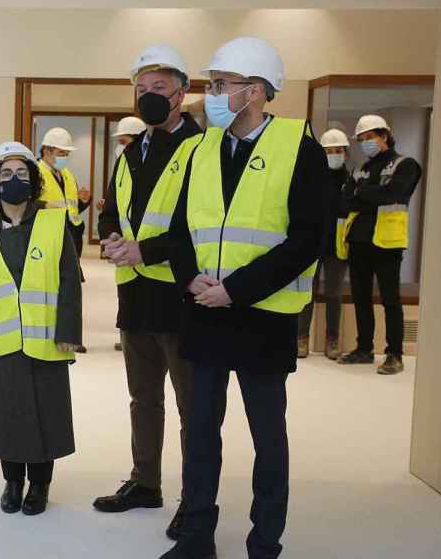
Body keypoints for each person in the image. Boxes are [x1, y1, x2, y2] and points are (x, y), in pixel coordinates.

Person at [164, 37, 328, 559]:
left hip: (261, 316)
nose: (209, 95)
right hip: (204, 313)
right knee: (200, 436)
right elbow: (178, 228)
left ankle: (264, 542)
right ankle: (195, 539)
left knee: (266, 437)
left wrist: (235, 290)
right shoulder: (202, 148)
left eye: (219, 85)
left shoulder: (298, 146)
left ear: (254, 91)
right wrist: (191, 280)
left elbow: (307, 239)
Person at [94, 45, 203, 540]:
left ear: (182, 92)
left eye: (159, 88)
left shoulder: (202, 150)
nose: (149, 96)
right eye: (141, 89)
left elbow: (201, 226)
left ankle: (195, 499)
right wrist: (114, 238)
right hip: (135, 296)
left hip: (182, 298)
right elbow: (112, 210)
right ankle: (145, 483)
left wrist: (146, 251)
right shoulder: (131, 149)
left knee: (192, 405)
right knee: (143, 399)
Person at [0, 142, 81, 516]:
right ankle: (12, 482)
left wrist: (68, 329)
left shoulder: (54, 223)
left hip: (46, 339)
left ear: (34, 181)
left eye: (22, 174)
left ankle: (40, 485)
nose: (14, 180)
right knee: (6, 414)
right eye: (6, 174)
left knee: (46, 412)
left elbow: (69, 280)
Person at [337, 115, 421, 374]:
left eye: (369, 137)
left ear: (384, 135)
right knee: (361, 298)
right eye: (361, 140)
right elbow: (346, 201)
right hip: (359, 240)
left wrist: (362, 192)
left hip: (387, 242)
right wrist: (371, 194)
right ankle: (364, 349)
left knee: (390, 300)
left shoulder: (406, 165)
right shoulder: (360, 168)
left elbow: (394, 194)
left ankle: (394, 354)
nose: (365, 143)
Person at [297, 128, 351, 359]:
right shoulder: (314, 178)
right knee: (306, 292)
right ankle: (301, 339)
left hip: (338, 245)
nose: (334, 155)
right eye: (329, 151)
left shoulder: (352, 180)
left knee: (334, 293)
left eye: (338, 151)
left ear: (345, 153)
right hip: (314, 244)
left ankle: (332, 340)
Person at [38, 127, 92, 352]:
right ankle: (50, 335)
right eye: (61, 153)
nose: (64, 158)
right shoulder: (35, 173)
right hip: (49, 239)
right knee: (51, 289)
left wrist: (84, 201)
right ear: (47, 150)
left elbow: (71, 208)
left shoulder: (67, 175)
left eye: (66, 154)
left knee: (71, 289)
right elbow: (32, 206)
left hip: (71, 237)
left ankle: (71, 336)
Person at [109, 115, 146, 352]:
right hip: (124, 258)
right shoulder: (122, 166)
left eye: (124, 141)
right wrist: (110, 233)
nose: (120, 147)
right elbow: (113, 209)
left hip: (156, 263)